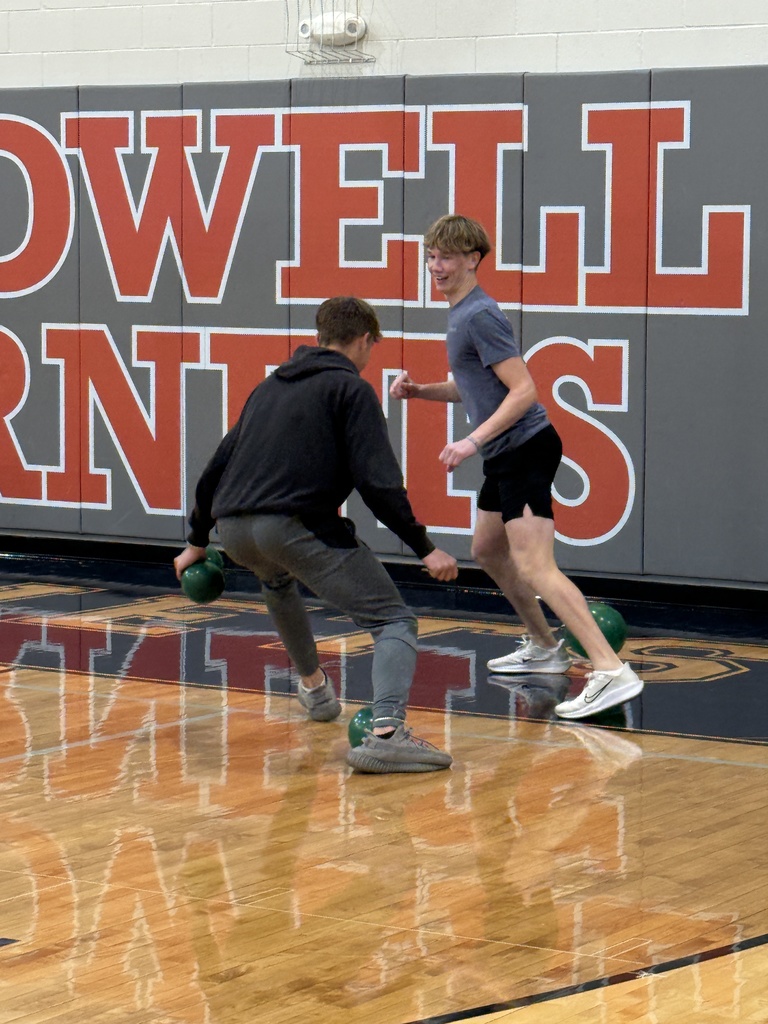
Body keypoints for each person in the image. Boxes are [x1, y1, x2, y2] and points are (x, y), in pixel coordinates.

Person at [175, 295, 457, 772]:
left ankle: (316, 692)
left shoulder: (268, 388)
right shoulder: (351, 390)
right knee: (394, 622)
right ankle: (387, 733)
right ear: (365, 340)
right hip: (292, 525)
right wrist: (425, 548)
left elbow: (215, 466)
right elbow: (378, 483)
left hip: (234, 531)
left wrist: (197, 539)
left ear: (320, 335)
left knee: (277, 581)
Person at [389, 215, 643, 720]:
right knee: (487, 548)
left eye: (446, 258)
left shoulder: (479, 314)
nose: (435, 267)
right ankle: (546, 648)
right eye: (431, 257)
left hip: (525, 447)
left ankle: (611, 670)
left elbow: (524, 390)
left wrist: (470, 441)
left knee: (534, 565)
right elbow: (476, 385)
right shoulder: (461, 314)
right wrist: (421, 392)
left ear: (473, 260)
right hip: (504, 454)